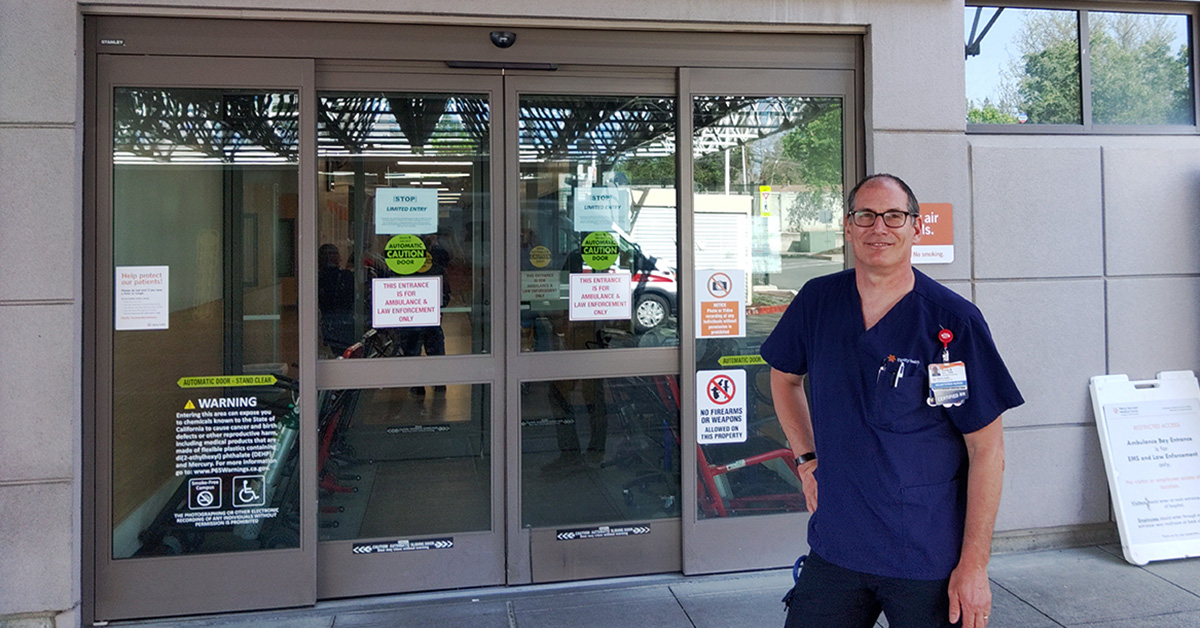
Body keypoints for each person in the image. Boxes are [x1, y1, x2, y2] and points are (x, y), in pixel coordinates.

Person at [760, 174, 1023, 628]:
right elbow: (784, 379)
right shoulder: (818, 301)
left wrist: (974, 567)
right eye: (865, 215)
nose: (878, 227)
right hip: (838, 546)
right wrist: (806, 459)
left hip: (926, 554)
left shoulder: (953, 321)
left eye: (894, 216)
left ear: (916, 227)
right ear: (847, 227)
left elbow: (988, 450)